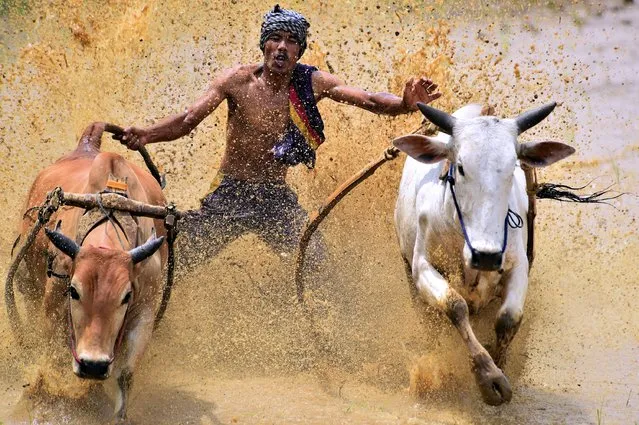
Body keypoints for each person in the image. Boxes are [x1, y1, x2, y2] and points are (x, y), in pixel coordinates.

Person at [120, 5, 441, 271]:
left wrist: (403, 105)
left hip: (275, 198)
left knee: (316, 264)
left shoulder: (311, 82)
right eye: (275, 38)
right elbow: (188, 120)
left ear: (300, 50)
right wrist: (147, 134)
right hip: (230, 193)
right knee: (177, 260)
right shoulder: (237, 81)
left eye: (291, 41)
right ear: (264, 45)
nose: (283, 47)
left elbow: (368, 99)